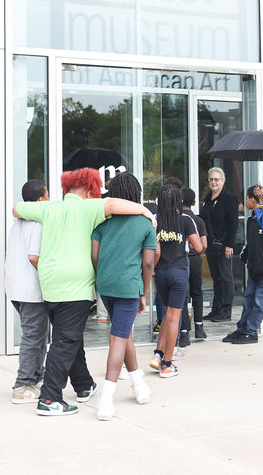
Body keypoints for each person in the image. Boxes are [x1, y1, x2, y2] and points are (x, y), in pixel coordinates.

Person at [13, 167, 156, 417]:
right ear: (91, 188)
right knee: (65, 341)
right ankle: (50, 398)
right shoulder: (90, 207)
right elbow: (113, 204)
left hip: (50, 283)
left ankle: (83, 385)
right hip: (76, 285)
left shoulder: (50, 207)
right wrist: (144, 210)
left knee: (70, 334)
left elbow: (17, 209)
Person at [90, 172, 156, 420]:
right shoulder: (145, 225)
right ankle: (106, 399)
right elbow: (148, 264)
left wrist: (102, 276)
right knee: (118, 338)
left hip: (106, 285)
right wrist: (144, 293)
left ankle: (138, 384)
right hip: (129, 287)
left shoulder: (102, 224)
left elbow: (95, 256)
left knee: (123, 332)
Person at [5, 179, 50, 403]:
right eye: (48, 195)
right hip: (31, 289)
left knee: (39, 335)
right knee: (33, 337)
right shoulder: (37, 223)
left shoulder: (18, 222)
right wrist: (52, 276)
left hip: (15, 288)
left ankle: (36, 379)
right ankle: (22, 385)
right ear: (41, 199)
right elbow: (34, 257)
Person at [149, 185, 201, 379]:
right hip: (179, 272)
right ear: (178, 201)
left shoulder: (155, 221)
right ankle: (167, 365)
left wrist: (153, 268)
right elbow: (198, 246)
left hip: (161, 272)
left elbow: (156, 251)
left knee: (166, 315)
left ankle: (158, 354)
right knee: (174, 318)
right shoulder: (185, 219)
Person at [223, 185, 263, 344]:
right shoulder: (251, 219)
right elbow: (249, 243)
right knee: (248, 299)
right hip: (253, 267)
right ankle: (242, 329)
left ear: (254, 200)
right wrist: (246, 258)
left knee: (259, 302)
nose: (245, 202)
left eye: (246, 198)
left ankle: (251, 332)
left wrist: (261, 201)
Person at [200, 167, 239, 322]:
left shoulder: (229, 199)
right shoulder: (209, 198)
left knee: (226, 278)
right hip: (211, 246)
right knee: (216, 278)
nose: (213, 182)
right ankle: (216, 309)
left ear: (223, 181)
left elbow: (233, 223)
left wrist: (230, 245)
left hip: (224, 246)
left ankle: (226, 310)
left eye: (217, 179)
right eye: (211, 179)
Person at [179, 188, 208, 344]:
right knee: (197, 292)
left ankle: (184, 333)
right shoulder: (199, 220)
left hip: (182, 260)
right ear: (194, 202)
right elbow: (204, 244)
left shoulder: (179, 219)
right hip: (196, 259)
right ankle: (199, 328)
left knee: (183, 296)